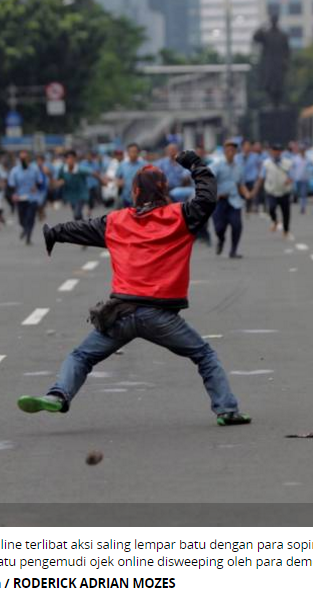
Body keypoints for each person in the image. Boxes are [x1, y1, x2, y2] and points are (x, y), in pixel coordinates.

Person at [18, 151, 251, 427]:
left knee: (81, 356)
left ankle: (58, 394)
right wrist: (196, 165)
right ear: (165, 189)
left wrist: (53, 233)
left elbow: (80, 228)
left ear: (135, 191)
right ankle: (227, 410)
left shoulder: (116, 221)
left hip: (121, 313)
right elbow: (207, 198)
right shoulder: (180, 216)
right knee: (204, 355)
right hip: (161, 316)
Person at [211, 140, 250, 258]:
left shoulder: (239, 168)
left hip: (234, 201)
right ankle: (221, 239)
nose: (231, 152)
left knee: (237, 225)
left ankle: (233, 250)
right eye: (228, 150)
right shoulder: (216, 166)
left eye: (233, 150)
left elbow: (241, 184)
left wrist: (246, 193)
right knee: (219, 227)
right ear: (224, 151)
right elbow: (209, 181)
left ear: (236, 152)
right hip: (219, 201)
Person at [254, 143, 294, 238]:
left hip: (284, 191)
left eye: (278, 151)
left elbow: (292, 174)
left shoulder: (287, 162)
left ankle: (286, 230)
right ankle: (275, 221)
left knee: (286, 213)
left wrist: (290, 179)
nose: (276, 152)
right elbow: (261, 177)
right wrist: (255, 189)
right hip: (271, 191)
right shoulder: (266, 163)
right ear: (271, 152)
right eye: (274, 150)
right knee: (271, 208)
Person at [8, 149, 46, 245]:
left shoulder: (35, 169)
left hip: (32, 198)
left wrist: (36, 187)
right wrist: (14, 194)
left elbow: (40, 182)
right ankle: (25, 229)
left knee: (30, 217)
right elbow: (11, 185)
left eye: (25, 158)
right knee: (22, 219)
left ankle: (28, 237)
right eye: (22, 158)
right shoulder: (15, 171)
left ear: (29, 159)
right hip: (20, 197)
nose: (23, 160)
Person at [55, 150, 96, 221]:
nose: (70, 160)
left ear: (75, 159)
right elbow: (59, 179)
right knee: (76, 215)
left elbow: (93, 173)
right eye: (68, 158)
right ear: (65, 159)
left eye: (71, 158)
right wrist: (59, 182)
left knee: (77, 214)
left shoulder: (80, 169)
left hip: (82, 194)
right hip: (71, 196)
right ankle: (83, 227)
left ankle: (84, 224)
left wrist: (103, 180)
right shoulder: (62, 169)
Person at [116, 143, 148, 208]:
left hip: (141, 197)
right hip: (126, 197)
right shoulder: (122, 165)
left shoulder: (144, 165)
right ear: (127, 153)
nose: (133, 154)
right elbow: (117, 177)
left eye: (135, 151)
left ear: (138, 153)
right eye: (131, 151)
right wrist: (119, 182)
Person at [291, 142, 312, 215]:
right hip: (297, 179)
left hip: (305, 179)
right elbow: (292, 168)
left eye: (304, 150)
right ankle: (301, 205)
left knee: (304, 194)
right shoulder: (295, 158)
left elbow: (311, 167)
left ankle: (303, 208)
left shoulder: (308, 159)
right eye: (301, 150)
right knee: (299, 193)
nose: (303, 151)